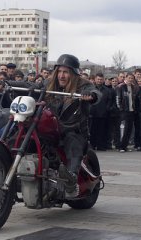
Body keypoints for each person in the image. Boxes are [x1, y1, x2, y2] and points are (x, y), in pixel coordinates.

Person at [45, 54, 101, 198]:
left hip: (74, 130)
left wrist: (91, 95)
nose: (62, 76)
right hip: (52, 130)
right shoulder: (49, 84)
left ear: (74, 74)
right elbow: (31, 86)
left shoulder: (83, 85)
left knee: (73, 142)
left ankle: (71, 179)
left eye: (66, 72)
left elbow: (96, 93)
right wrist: (4, 84)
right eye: (60, 72)